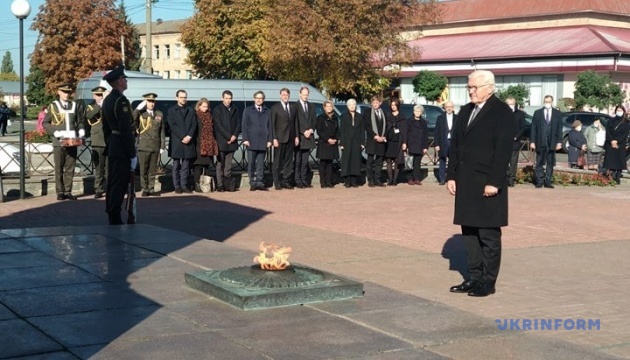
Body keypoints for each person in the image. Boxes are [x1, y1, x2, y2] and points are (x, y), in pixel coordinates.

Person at [447, 70, 515, 297]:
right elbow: (456, 145)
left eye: (474, 87)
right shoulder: (465, 111)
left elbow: (503, 150)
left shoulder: (501, 112)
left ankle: (488, 281)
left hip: (487, 182)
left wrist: (494, 181)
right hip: (466, 182)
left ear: (489, 87)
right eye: (468, 87)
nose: (470, 91)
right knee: (469, 233)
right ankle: (473, 277)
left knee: (488, 234)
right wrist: (451, 175)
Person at [101, 65, 137, 225]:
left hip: (113, 144)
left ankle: (112, 213)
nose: (126, 80)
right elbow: (125, 129)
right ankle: (115, 215)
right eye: (124, 78)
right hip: (122, 147)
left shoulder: (108, 100)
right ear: (118, 82)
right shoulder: (120, 100)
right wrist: (132, 153)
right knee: (119, 183)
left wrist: (110, 142)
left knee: (113, 182)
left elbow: (105, 128)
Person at [43, 83, 86, 201]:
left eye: (68, 92)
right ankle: (60, 191)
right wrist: (54, 132)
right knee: (59, 167)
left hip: (72, 140)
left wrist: (81, 130)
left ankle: (68, 191)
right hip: (59, 140)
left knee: (70, 167)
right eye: (64, 92)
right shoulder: (54, 106)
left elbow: (80, 120)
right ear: (59, 92)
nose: (66, 94)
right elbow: (45, 123)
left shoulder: (75, 105)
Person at [133, 92, 166, 196]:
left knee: (152, 170)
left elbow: (162, 131)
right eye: (149, 101)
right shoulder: (141, 114)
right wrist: (137, 109)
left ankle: (151, 189)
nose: (151, 103)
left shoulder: (159, 114)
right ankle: (145, 189)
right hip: (144, 145)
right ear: (145, 102)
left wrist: (162, 145)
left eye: (153, 101)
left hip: (155, 146)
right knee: (143, 170)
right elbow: (133, 121)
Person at [167, 90, 197, 194]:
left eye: (184, 97)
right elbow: (172, 125)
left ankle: (184, 185)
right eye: (181, 97)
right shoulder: (171, 110)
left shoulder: (191, 110)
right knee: (176, 165)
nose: (183, 99)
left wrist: (189, 136)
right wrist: (182, 136)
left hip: (188, 141)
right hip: (177, 141)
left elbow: (194, 124)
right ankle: (177, 186)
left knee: (186, 165)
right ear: (177, 98)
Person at [530, 95, 562, 188]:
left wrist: (559, 142)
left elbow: (559, 129)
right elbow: (533, 128)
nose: (547, 103)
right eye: (545, 101)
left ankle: (548, 181)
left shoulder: (558, 114)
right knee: (539, 162)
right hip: (540, 141)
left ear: (552, 102)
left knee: (550, 162)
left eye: (549, 101)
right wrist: (532, 141)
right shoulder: (537, 113)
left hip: (552, 141)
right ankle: (539, 181)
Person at [242, 91, 272, 191]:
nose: (259, 100)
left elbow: (270, 126)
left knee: (260, 163)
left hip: (263, 140)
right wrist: (245, 139)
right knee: (251, 163)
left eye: (261, 98)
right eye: (257, 98)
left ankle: (260, 182)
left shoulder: (267, 110)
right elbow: (244, 125)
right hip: (251, 140)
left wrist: (269, 140)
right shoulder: (248, 110)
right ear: (254, 99)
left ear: (263, 99)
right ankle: (252, 183)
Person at [212, 90, 241, 192]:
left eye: (230, 98)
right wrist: (229, 136)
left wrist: (234, 136)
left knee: (228, 165)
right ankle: (219, 185)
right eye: (226, 98)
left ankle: (227, 184)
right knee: (220, 164)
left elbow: (238, 124)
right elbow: (218, 126)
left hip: (232, 142)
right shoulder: (217, 110)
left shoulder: (235, 109)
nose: (228, 100)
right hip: (221, 142)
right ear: (222, 98)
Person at [271, 88, 298, 190]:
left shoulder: (292, 107)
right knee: (277, 162)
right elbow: (272, 125)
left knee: (288, 161)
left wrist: (296, 136)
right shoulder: (275, 108)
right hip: (279, 138)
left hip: (290, 138)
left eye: (286, 95)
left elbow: (296, 123)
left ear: (289, 96)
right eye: (283, 95)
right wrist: (274, 138)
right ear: (280, 96)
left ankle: (286, 180)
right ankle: (277, 182)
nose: (285, 96)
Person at [85, 86, 108, 198]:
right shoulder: (91, 107)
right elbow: (89, 116)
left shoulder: (107, 106)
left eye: (101, 95)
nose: (100, 97)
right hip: (97, 140)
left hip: (108, 140)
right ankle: (98, 189)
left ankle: (110, 188)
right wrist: (99, 106)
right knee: (99, 167)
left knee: (109, 168)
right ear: (94, 96)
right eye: (98, 95)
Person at [193, 97, 219, 192]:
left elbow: (213, 130)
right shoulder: (196, 115)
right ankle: (197, 185)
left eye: (207, 107)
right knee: (198, 166)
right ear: (199, 106)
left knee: (208, 165)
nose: (205, 108)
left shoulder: (209, 116)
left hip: (209, 145)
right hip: (199, 144)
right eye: (203, 106)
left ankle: (207, 185)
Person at [294, 86, 317, 188]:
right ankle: (297, 180)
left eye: (307, 94)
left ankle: (304, 179)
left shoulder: (311, 106)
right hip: (299, 137)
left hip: (308, 137)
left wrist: (311, 130)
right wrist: (303, 131)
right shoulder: (295, 106)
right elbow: (295, 122)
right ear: (299, 94)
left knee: (305, 161)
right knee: (298, 161)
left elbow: (314, 120)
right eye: (303, 94)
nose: (305, 96)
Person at [339, 99, 364, 188]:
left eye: (353, 104)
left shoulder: (360, 117)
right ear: (347, 106)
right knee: (347, 161)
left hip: (356, 142)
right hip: (347, 142)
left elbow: (362, 130)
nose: (352, 106)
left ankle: (354, 181)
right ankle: (347, 181)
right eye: (350, 104)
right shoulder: (343, 116)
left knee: (355, 161)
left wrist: (362, 142)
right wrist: (342, 143)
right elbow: (342, 131)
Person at [363, 96, 387, 187]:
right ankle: (370, 180)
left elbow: (386, 126)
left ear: (380, 103)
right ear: (371, 103)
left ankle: (377, 179)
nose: (375, 104)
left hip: (381, 140)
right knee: (370, 161)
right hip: (372, 140)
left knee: (379, 162)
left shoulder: (383, 113)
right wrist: (375, 136)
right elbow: (367, 126)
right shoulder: (367, 112)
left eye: (377, 102)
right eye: (374, 103)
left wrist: (384, 136)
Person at [603, 105, 630, 184]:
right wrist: (612, 141)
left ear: (623, 111)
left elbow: (625, 134)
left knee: (619, 160)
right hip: (610, 143)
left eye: (620, 110)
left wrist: (617, 141)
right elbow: (608, 131)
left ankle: (617, 176)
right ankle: (610, 175)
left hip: (620, 144)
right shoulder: (611, 121)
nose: (619, 112)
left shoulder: (627, 122)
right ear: (615, 111)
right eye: (617, 110)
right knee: (611, 160)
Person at [315, 101, 339, 188]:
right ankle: (323, 182)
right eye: (327, 106)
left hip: (333, 143)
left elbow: (338, 130)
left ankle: (329, 182)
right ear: (324, 107)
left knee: (330, 163)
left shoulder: (335, 118)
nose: (329, 108)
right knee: (323, 163)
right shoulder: (320, 118)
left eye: (330, 106)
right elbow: (319, 131)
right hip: (324, 143)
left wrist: (336, 139)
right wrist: (328, 139)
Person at [384, 98, 407, 186]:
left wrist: (405, 142)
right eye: (392, 105)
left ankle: (395, 180)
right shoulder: (388, 115)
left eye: (395, 105)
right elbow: (385, 128)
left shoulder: (402, 116)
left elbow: (404, 130)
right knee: (389, 160)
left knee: (398, 160)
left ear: (398, 105)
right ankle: (390, 179)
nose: (393, 107)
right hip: (389, 141)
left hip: (399, 141)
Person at [435, 101, 458, 185]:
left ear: (453, 108)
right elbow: (436, 132)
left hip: (453, 142)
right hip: (443, 142)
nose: (449, 108)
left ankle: (452, 178)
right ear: (444, 107)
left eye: (450, 106)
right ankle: (442, 179)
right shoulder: (440, 118)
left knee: (453, 161)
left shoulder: (457, 118)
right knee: (442, 161)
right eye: (447, 106)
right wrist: (437, 144)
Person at [405, 105, 429, 185]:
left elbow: (426, 135)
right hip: (411, 145)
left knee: (417, 163)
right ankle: (410, 178)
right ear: (413, 112)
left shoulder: (424, 122)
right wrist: (405, 144)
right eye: (416, 111)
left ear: (421, 113)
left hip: (420, 145)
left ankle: (416, 178)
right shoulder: (408, 121)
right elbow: (405, 133)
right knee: (409, 163)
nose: (417, 113)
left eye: (419, 111)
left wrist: (425, 147)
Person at [505, 97, 527, 187]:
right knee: (503, 161)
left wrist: (516, 136)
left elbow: (523, 127)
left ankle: (511, 179)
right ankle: (504, 178)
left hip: (515, 142)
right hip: (503, 142)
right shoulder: (502, 114)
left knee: (513, 161)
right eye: (508, 104)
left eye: (512, 104)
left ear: (515, 104)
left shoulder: (520, 114)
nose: (510, 106)